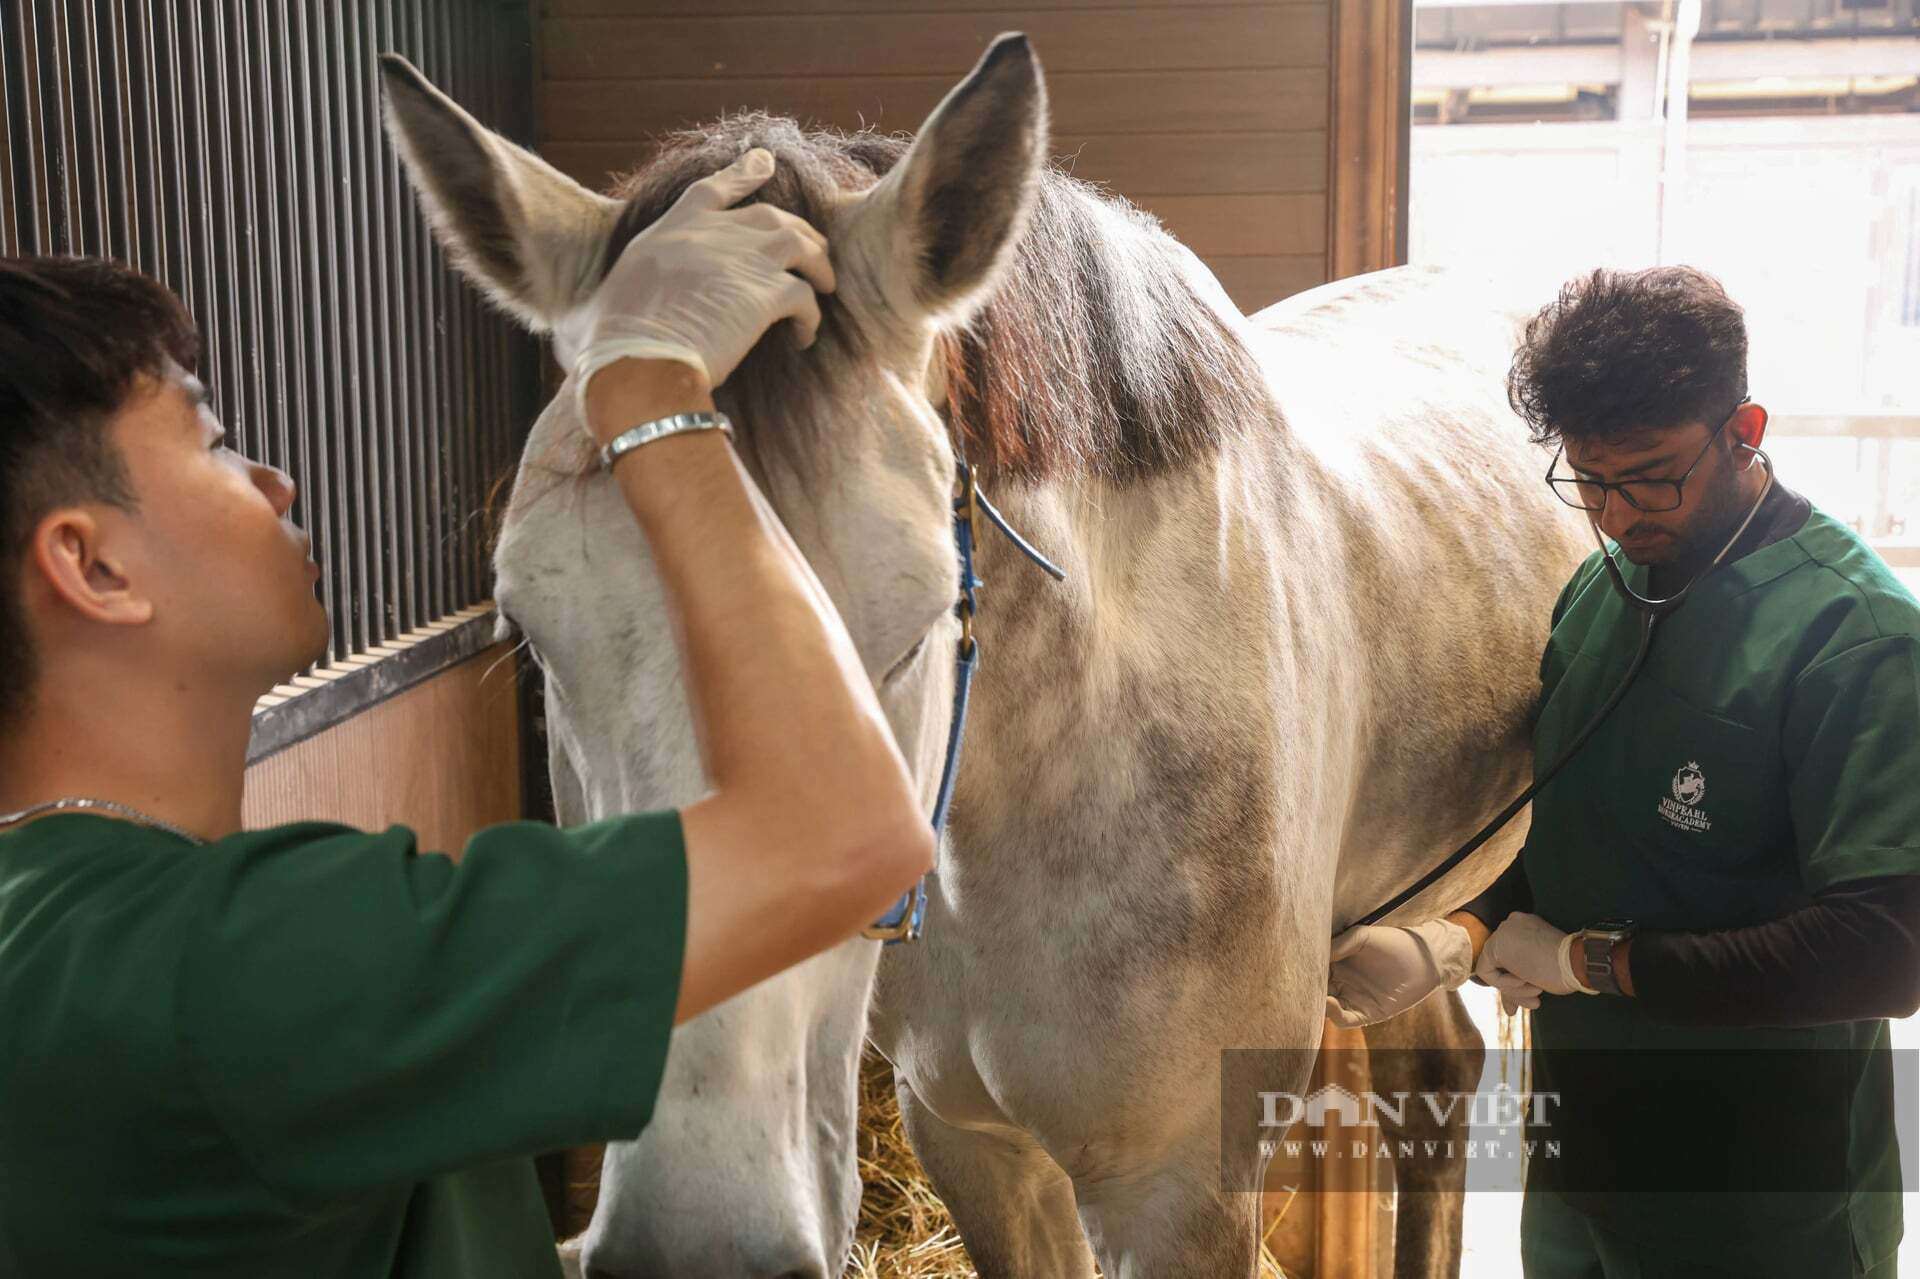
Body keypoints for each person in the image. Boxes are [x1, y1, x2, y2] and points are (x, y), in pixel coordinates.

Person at [0, 150, 934, 1276]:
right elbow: (843, 832)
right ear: (92, 568)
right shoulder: (232, 967)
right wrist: (647, 389)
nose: (274, 481)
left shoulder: (59, 930)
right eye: (212, 443)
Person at [1324, 266, 1916, 1277]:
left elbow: (1883, 952)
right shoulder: (1596, 601)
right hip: (1582, 1169)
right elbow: (1569, 831)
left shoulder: (1855, 638)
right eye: (1588, 480)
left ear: (1745, 429)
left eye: (1651, 475)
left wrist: (1589, 963)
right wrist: (1454, 940)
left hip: (1763, 1199)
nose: (1614, 513)